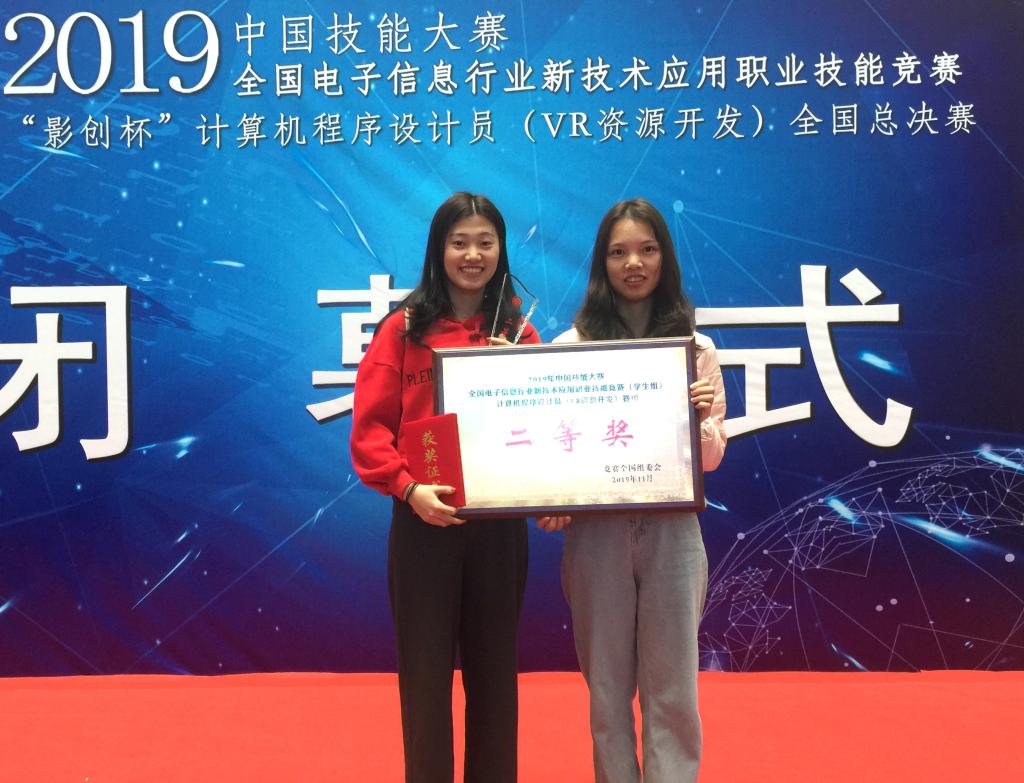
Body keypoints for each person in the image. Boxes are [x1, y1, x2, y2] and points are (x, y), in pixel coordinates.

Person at [350, 193, 539, 783]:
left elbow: (542, 429)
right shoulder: (402, 329)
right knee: (425, 682)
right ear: (438, 250)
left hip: (498, 527)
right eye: (459, 242)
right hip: (423, 525)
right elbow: (370, 432)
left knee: (495, 680)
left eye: (485, 242)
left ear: (501, 250)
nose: (473, 255)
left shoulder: (518, 334)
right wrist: (409, 490)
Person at [549, 198, 727, 783]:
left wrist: (700, 419)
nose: (634, 264)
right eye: (619, 252)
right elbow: (553, 450)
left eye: (647, 250)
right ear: (602, 264)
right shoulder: (569, 350)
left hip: (674, 533)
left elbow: (711, 459)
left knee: (673, 689)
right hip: (595, 534)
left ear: (664, 259)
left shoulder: (696, 350)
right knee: (606, 691)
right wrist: (547, 501)